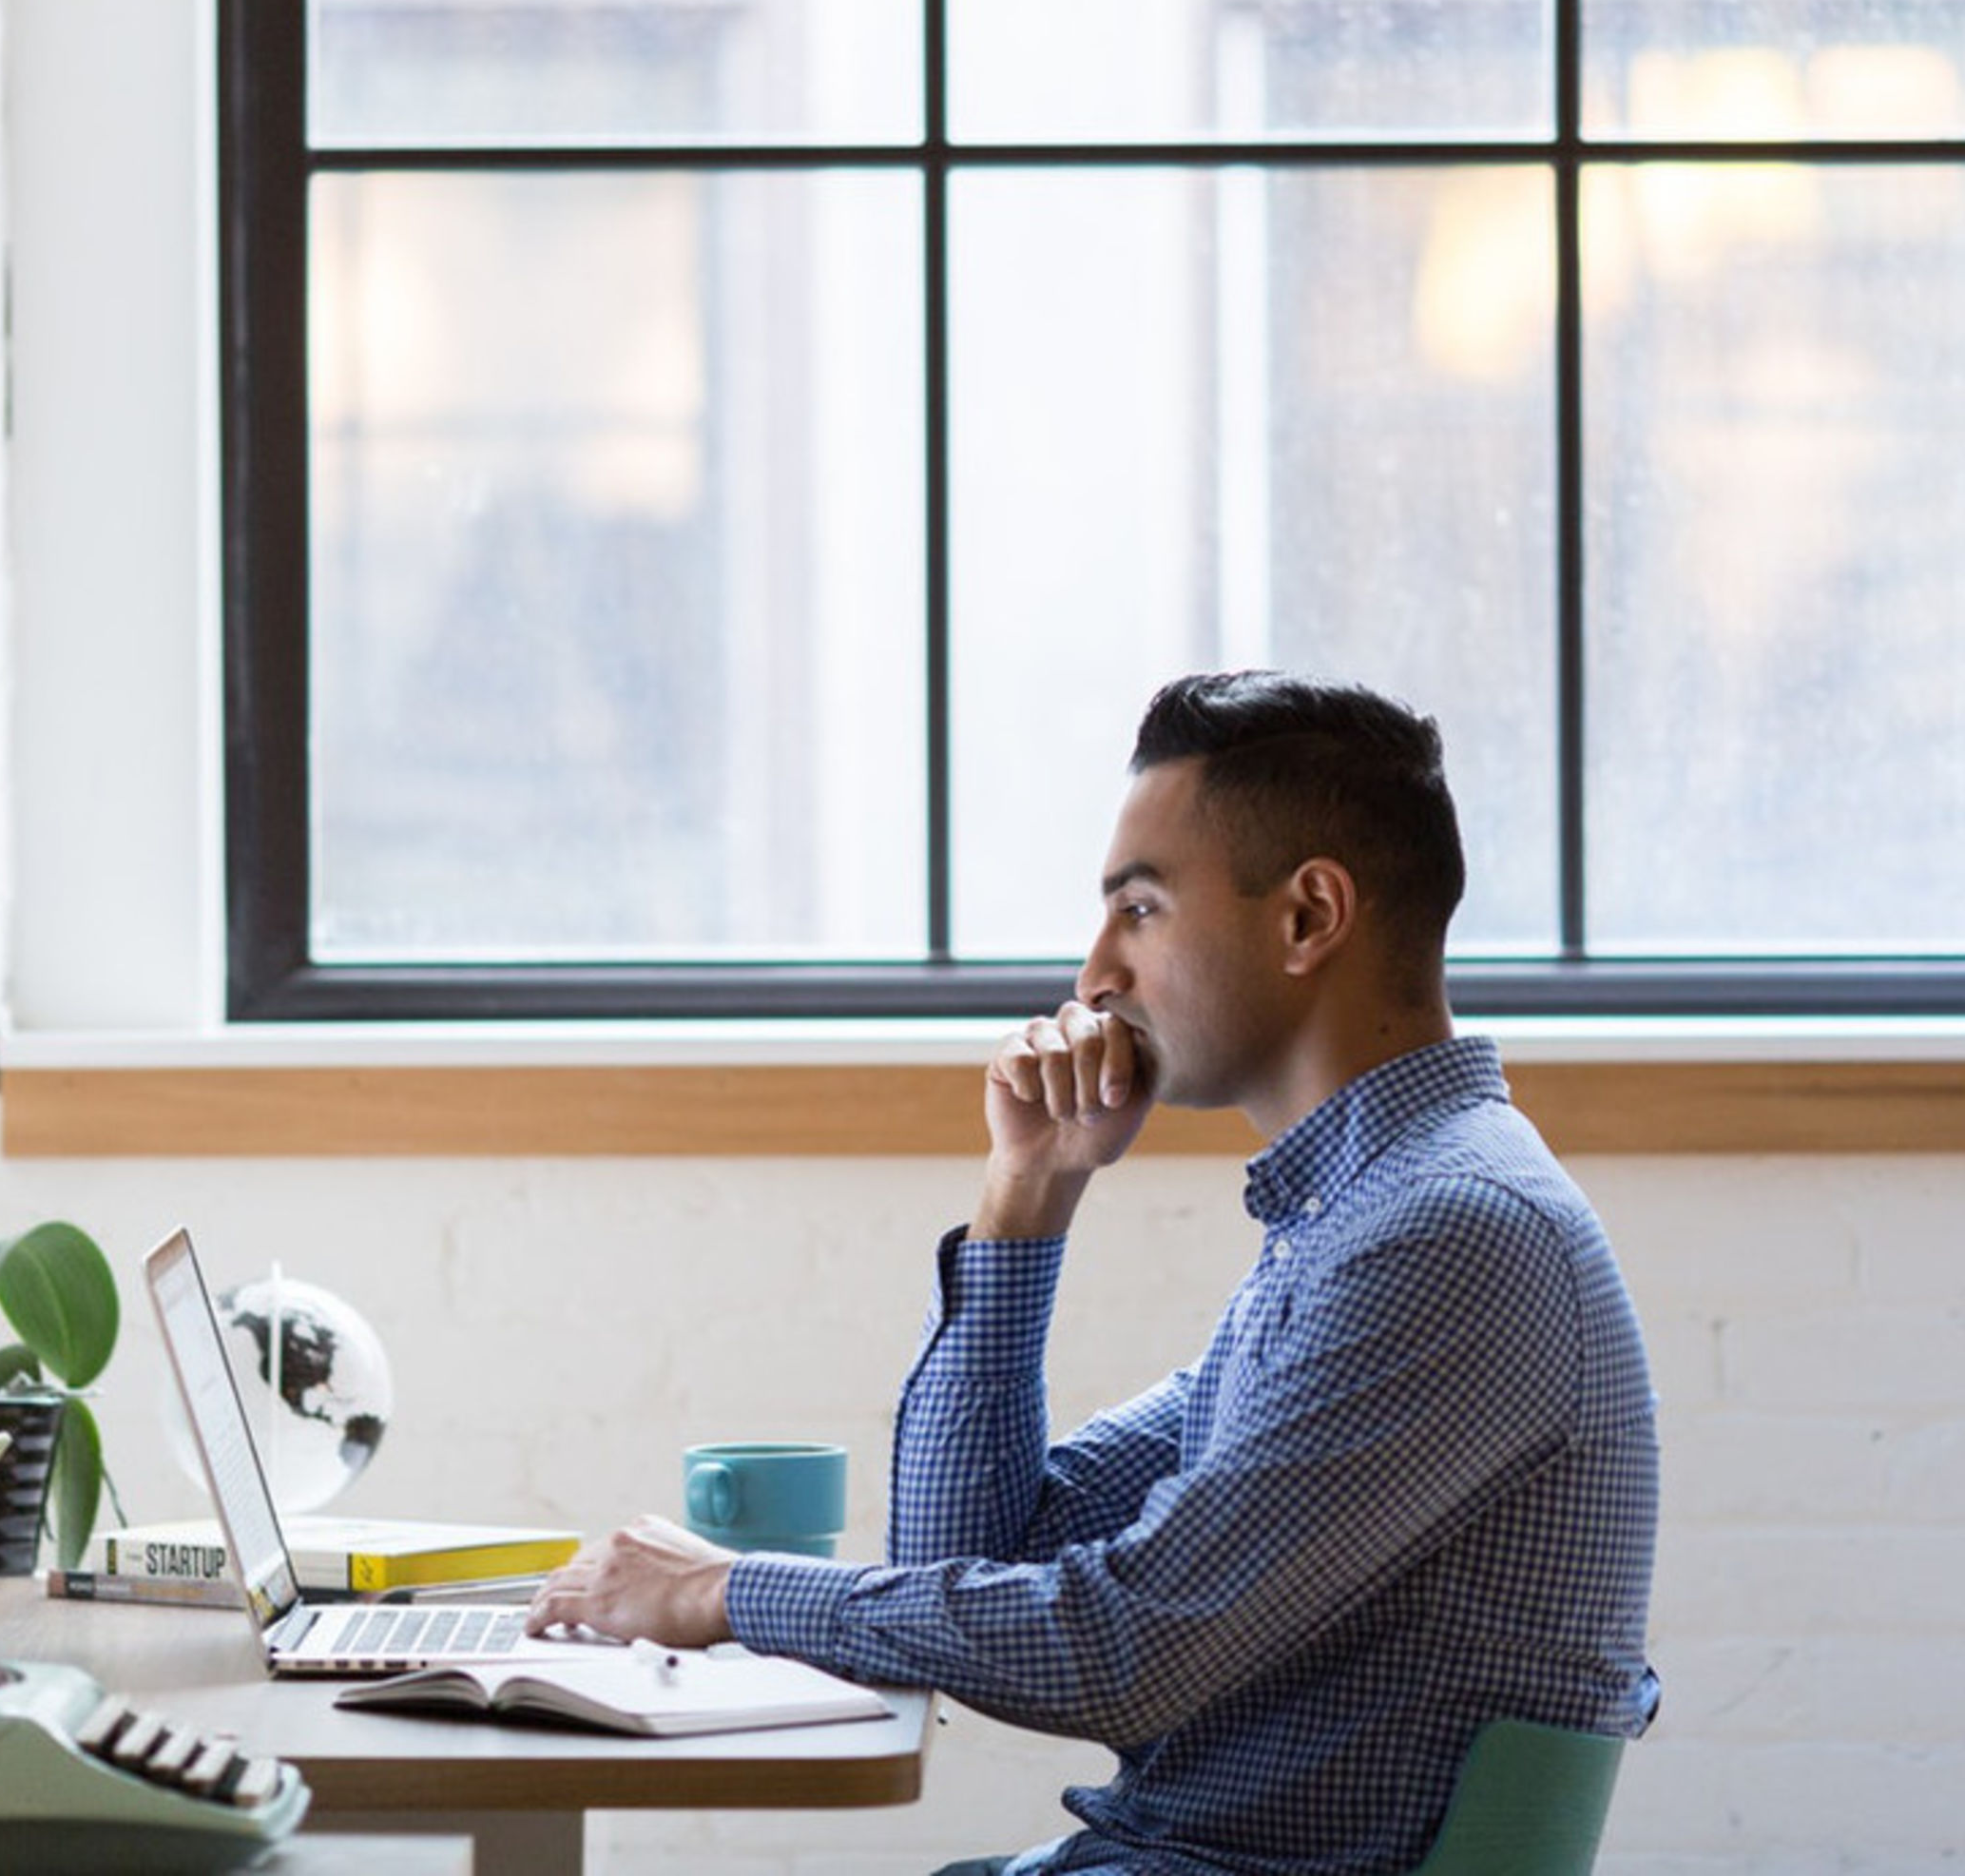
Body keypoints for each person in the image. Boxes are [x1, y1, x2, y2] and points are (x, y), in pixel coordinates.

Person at [528, 669, 1660, 1875]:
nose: (1093, 977)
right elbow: (966, 1557)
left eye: (1141, 910)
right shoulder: (1352, 1223)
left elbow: (1124, 1653)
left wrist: (726, 1592)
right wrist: (1030, 1194)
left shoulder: (1446, 1237)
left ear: (1307, 917)